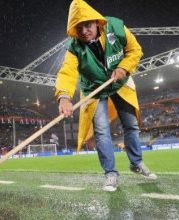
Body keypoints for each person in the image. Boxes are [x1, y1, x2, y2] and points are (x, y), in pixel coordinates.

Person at [55, 0, 157, 192]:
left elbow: (135, 50)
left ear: (96, 21)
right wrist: (64, 97)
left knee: (131, 124)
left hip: (120, 82)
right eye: (79, 28)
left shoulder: (116, 27)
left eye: (88, 25)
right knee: (102, 132)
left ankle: (136, 163)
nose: (85, 31)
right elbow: (67, 73)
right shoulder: (74, 47)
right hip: (94, 89)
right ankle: (111, 174)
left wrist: (124, 67)